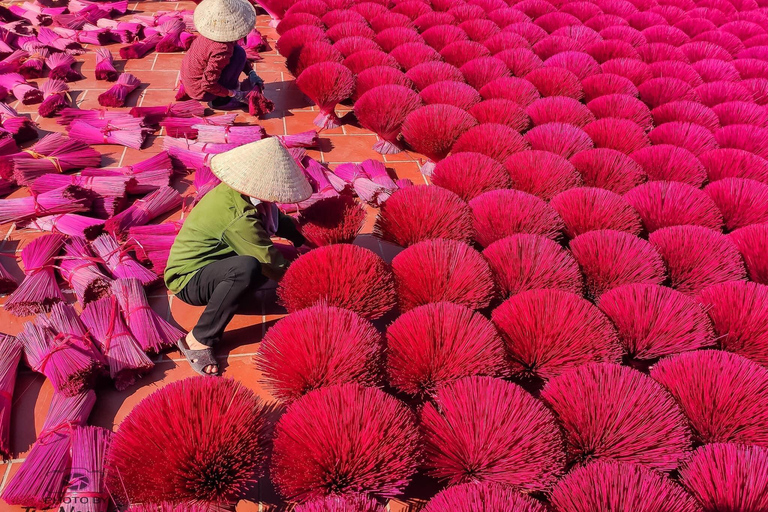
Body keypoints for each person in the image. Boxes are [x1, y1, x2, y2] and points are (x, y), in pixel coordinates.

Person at [165, 137, 312, 375]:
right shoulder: (238, 215)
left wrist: (304, 242)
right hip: (189, 279)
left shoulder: (246, 192)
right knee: (248, 267)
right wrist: (312, 285)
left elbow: (278, 220)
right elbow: (267, 259)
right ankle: (198, 339)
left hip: (216, 265)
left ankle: (230, 293)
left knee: (254, 268)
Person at [180, 0, 264, 110]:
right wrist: (234, 94)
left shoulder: (209, 34)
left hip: (190, 82)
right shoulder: (222, 48)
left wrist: (251, 72)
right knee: (239, 55)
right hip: (201, 91)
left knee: (238, 52)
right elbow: (208, 84)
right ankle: (221, 101)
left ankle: (224, 94)